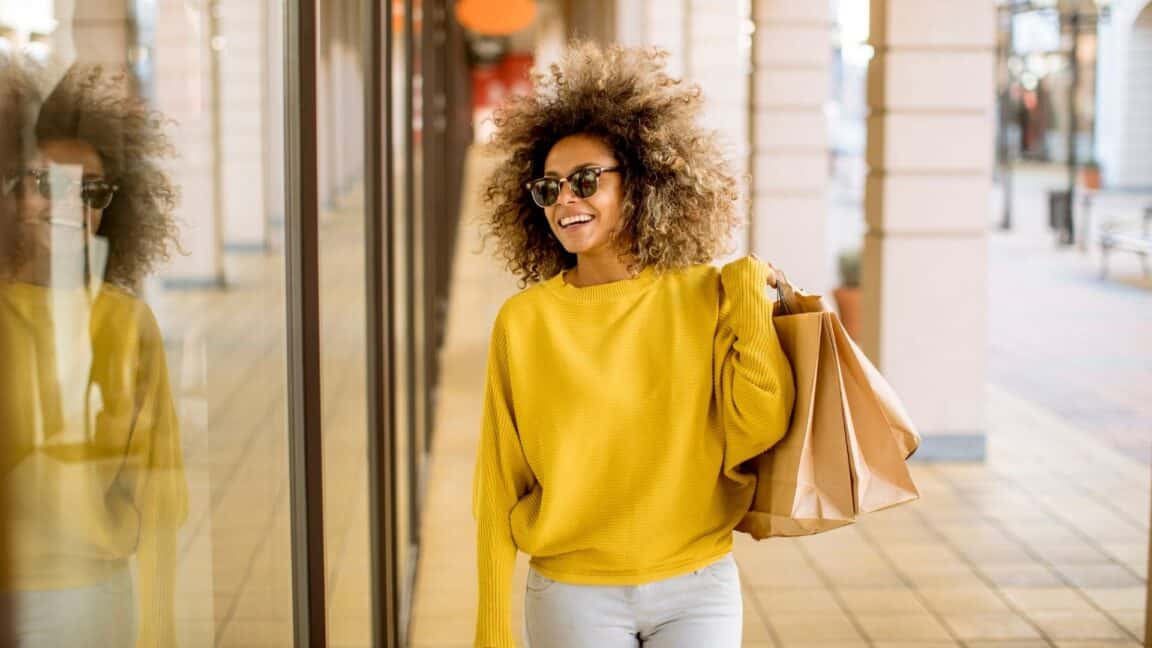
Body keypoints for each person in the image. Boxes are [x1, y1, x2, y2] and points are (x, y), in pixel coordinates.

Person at [472, 42, 797, 648]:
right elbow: (497, 484)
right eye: (549, 188)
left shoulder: (707, 295)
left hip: (696, 584)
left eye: (586, 180)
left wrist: (750, 309)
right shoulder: (524, 322)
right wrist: (492, 626)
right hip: (571, 594)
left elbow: (759, 428)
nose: (566, 199)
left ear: (644, 183)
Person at [0, 57, 187, 647]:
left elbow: (159, 500)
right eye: (42, 183)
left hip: (90, 600)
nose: (69, 204)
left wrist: (157, 633)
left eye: (92, 189)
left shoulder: (128, 325)